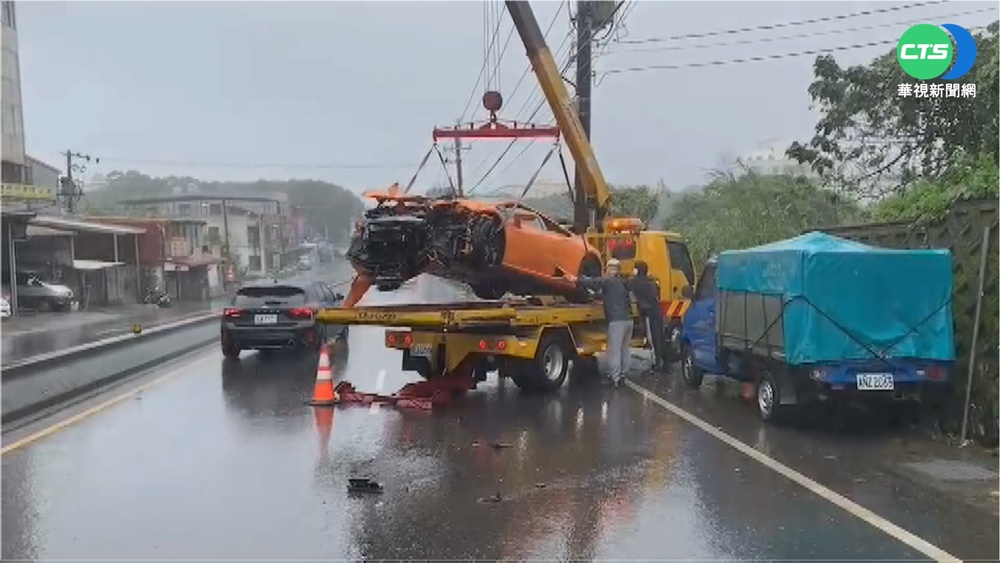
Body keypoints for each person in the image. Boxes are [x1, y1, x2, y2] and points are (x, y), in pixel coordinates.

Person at [564, 258, 634, 388]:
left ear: (611, 269)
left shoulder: (608, 280)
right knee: (625, 349)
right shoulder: (622, 282)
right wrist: (595, 297)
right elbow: (608, 295)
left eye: (607, 268)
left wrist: (575, 279)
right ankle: (622, 376)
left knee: (614, 350)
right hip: (628, 320)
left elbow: (594, 282)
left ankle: (615, 379)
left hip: (616, 321)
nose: (606, 271)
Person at [631, 260, 667, 370]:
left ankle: (657, 363)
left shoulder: (635, 281)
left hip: (648, 313)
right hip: (656, 311)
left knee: (653, 338)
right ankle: (663, 362)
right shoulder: (652, 281)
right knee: (659, 337)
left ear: (637, 270)